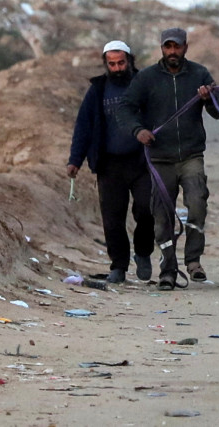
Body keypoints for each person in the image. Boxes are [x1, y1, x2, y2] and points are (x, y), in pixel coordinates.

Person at [118, 28, 219, 289]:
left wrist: (209, 98)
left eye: (176, 47)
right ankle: (167, 269)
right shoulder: (146, 78)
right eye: (168, 47)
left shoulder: (200, 74)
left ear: (186, 47)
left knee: (197, 203)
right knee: (162, 214)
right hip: (160, 158)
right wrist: (138, 130)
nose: (172, 52)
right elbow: (125, 108)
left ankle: (193, 261)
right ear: (162, 49)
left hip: (191, 155)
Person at [66, 40, 153, 285]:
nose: (117, 68)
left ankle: (143, 252)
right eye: (112, 64)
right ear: (106, 64)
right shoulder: (98, 89)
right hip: (109, 164)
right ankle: (119, 266)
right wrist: (75, 160)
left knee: (146, 210)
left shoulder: (144, 84)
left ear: (130, 60)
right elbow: (83, 127)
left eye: (121, 63)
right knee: (113, 218)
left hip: (142, 161)